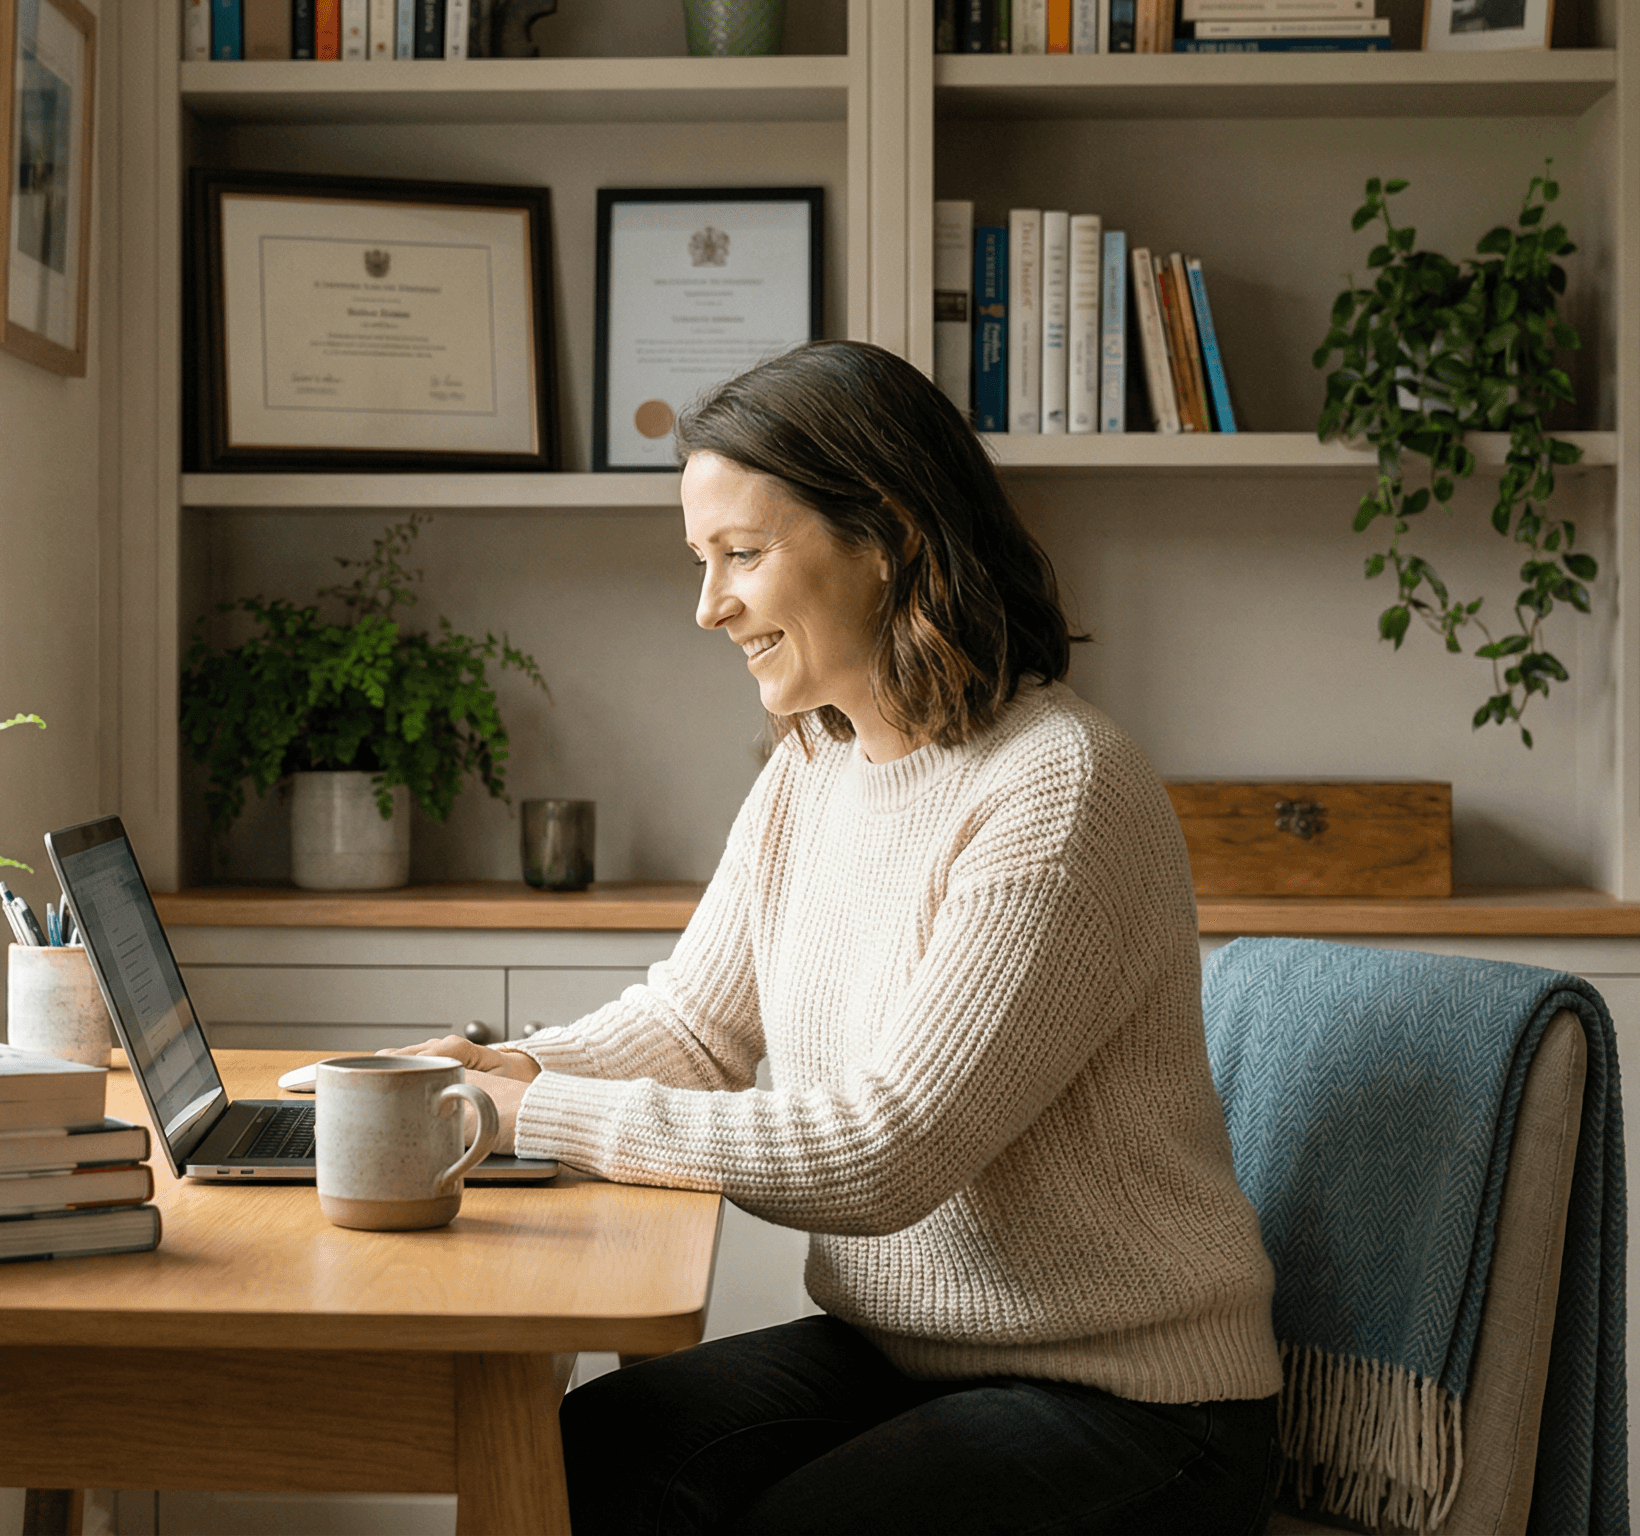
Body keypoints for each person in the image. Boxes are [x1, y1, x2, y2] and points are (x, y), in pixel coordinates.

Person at [390, 339, 1283, 1535]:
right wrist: (508, 1073)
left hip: (1132, 1401)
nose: (707, 607)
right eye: (702, 563)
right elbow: (694, 1024)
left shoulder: (1054, 789)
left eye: (742, 557)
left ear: (889, 538)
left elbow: (883, 1154)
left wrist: (530, 1118)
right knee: (592, 1454)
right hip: (903, 1353)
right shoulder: (814, 762)